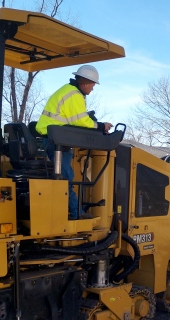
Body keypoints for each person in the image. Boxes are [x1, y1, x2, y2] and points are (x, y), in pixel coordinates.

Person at [36, 65, 113, 220]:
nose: (93, 89)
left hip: (54, 139)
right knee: (66, 178)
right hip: (56, 142)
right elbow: (81, 121)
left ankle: (72, 211)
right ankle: (76, 213)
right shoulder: (74, 95)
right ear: (85, 82)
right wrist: (100, 126)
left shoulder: (67, 91)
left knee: (66, 177)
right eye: (92, 85)